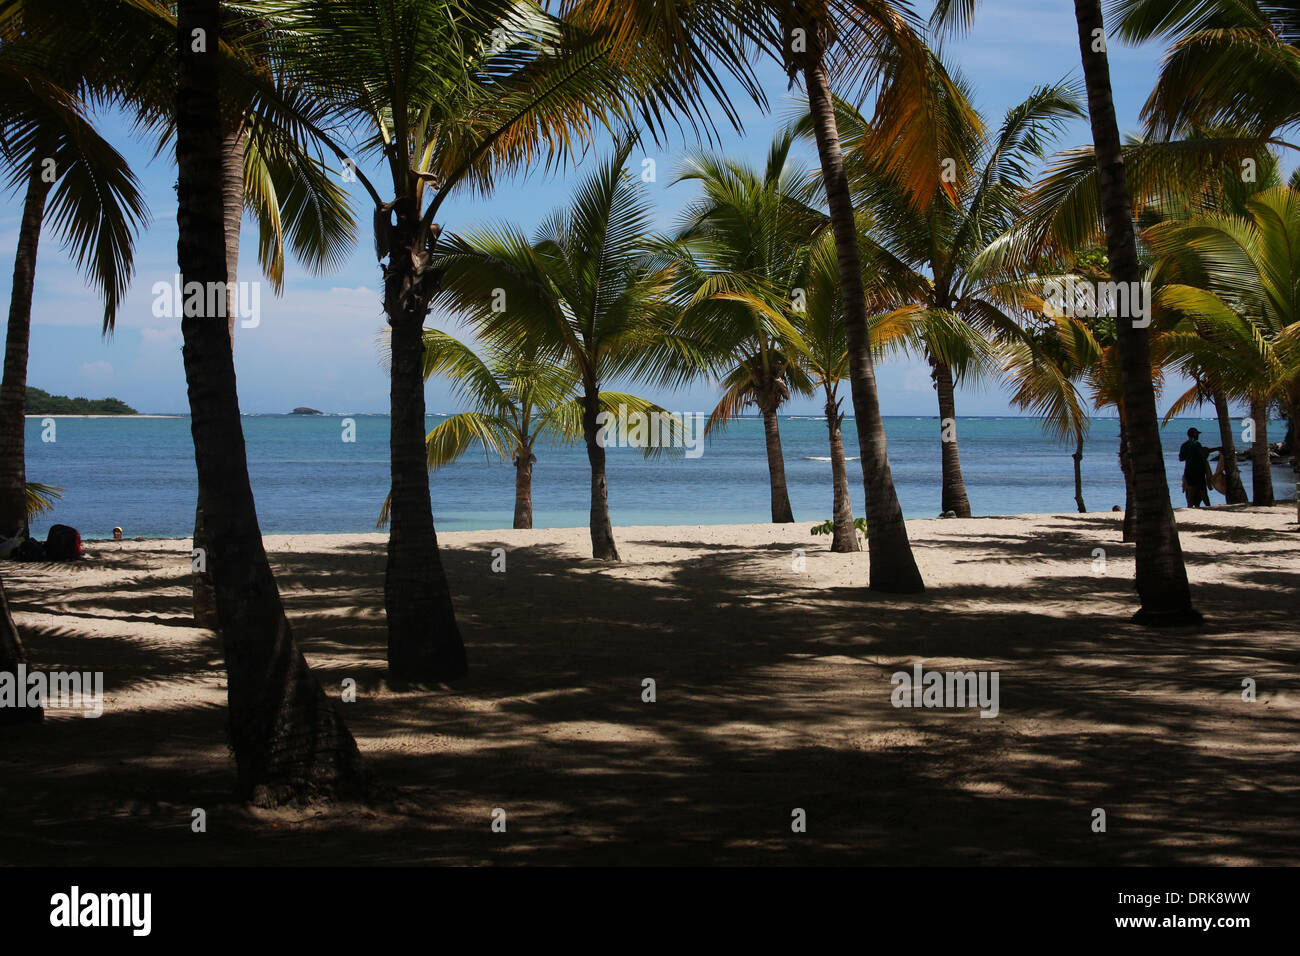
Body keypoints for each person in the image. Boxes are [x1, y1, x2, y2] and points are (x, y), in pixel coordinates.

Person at [1178, 427, 1220, 508]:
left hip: (1188, 471)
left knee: (1190, 491)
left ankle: (1189, 508)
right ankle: (1209, 507)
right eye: (1197, 434)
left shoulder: (1184, 445)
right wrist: (1218, 448)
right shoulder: (1196, 443)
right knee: (1203, 491)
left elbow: (1181, 459)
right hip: (1198, 471)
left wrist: (1189, 456)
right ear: (1194, 434)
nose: (1198, 435)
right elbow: (1204, 451)